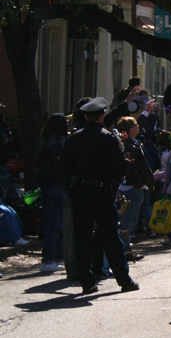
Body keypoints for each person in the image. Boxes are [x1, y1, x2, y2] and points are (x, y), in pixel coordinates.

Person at [57, 97, 138, 294]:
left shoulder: (74, 137)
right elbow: (119, 167)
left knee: (82, 238)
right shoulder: (109, 137)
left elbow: (63, 166)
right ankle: (124, 280)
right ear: (101, 116)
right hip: (102, 193)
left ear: (85, 116)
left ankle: (87, 282)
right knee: (110, 237)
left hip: (81, 192)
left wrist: (71, 187)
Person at [116, 117, 155, 260]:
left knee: (129, 220)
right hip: (131, 187)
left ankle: (126, 248)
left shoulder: (135, 143)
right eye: (136, 125)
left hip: (132, 185)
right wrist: (141, 182)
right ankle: (124, 251)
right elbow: (131, 168)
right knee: (129, 220)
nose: (138, 127)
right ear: (130, 129)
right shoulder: (128, 146)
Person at [34, 113, 69, 272]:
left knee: (53, 220)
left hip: (49, 183)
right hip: (56, 184)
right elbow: (59, 165)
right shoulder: (57, 142)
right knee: (55, 223)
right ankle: (48, 258)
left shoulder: (47, 139)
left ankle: (53, 256)